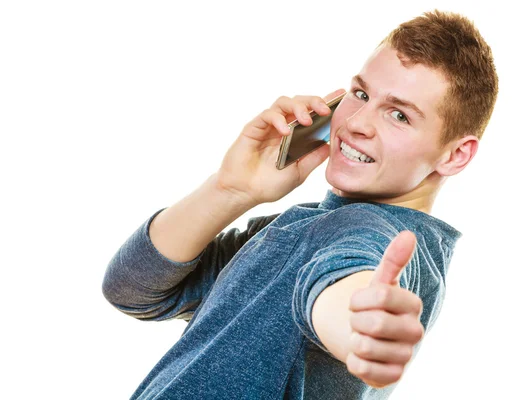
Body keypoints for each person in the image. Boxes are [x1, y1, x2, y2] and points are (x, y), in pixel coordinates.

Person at [102, 9, 498, 399]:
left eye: (398, 115)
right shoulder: (302, 227)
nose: (357, 122)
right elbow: (132, 289)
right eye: (360, 94)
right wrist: (230, 190)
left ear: (455, 156)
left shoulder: (366, 233)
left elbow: (340, 282)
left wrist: (358, 327)